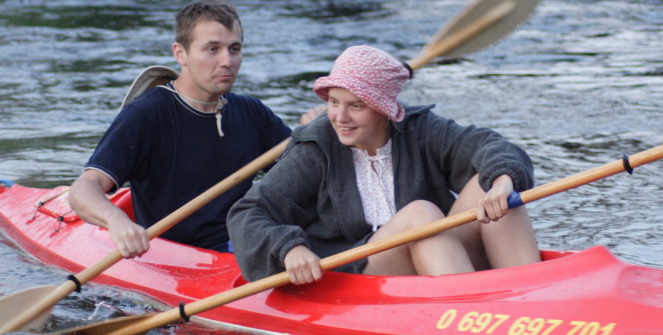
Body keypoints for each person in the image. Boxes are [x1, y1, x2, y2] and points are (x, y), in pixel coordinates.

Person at [227, 45, 541, 285]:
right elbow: (248, 212)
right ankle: (470, 313)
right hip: (358, 274)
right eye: (333, 102)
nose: (339, 117)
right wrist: (288, 248)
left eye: (356, 106)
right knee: (421, 213)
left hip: (438, 255)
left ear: (385, 109)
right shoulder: (316, 146)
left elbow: (493, 146)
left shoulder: (421, 128)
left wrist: (502, 181)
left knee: (496, 183)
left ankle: (531, 296)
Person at [68, 0, 320, 258]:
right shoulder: (146, 114)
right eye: (212, 49)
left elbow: (305, 180)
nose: (227, 61)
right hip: (179, 256)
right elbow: (84, 188)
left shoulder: (251, 112)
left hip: (245, 241)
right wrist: (116, 221)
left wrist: (319, 133)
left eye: (234, 49)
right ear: (180, 54)